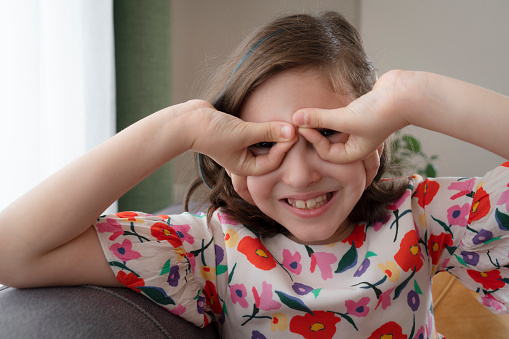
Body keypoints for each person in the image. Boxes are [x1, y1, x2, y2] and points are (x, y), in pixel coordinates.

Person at [0, 11, 508, 339]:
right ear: (235, 168)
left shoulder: (419, 218)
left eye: (329, 136)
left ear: (372, 148)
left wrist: (409, 95)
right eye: (264, 146)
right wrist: (183, 125)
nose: (303, 174)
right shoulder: (211, 249)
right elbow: (13, 252)